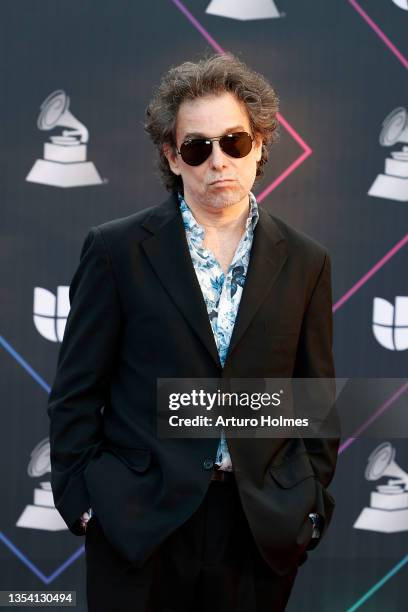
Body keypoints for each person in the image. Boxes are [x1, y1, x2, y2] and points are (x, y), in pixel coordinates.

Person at [48, 53, 339, 612]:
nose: (217, 162)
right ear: (172, 156)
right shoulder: (115, 251)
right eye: (197, 147)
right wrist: (87, 506)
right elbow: (75, 393)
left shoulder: (307, 261)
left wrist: (308, 506)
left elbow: (314, 403)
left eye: (233, 141)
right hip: (140, 523)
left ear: (259, 144)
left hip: (258, 530)